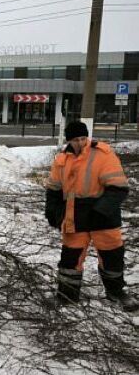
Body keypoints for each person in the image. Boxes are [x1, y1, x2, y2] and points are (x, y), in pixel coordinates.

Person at [45, 121, 137, 311]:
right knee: (71, 257)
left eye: (83, 138)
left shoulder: (103, 154)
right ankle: (67, 295)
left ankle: (116, 292)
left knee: (112, 256)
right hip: (74, 215)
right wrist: (52, 211)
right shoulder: (62, 159)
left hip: (104, 215)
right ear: (68, 140)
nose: (80, 143)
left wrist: (101, 211)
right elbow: (54, 190)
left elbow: (119, 188)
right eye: (75, 139)